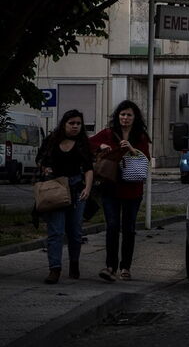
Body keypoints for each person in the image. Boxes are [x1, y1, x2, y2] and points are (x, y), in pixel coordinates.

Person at [89, 100, 151, 282]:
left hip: (133, 189)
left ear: (135, 118)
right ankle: (110, 266)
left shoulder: (140, 136)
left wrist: (131, 149)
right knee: (112, 226)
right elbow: (87, 143)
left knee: (129, 228)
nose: (125, 118)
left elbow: (145, 159)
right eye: (122, 114)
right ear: (118, 116)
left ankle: (126, 267)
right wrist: (100, 146)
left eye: (129, 115)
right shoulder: (108, 133)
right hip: (111, 188)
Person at [35, 110, 94, 284]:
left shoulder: (82, 143)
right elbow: (40, 159)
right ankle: (55, 269)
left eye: (78, 123)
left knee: (75, 232)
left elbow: (89, 167)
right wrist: (44, 168)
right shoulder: (52, 140)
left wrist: (88, 188)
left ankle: (74, 263)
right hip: (56, 189)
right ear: (64, 124)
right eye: (72, 123)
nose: (75, 126)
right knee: (56, 231)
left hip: (77, 190)